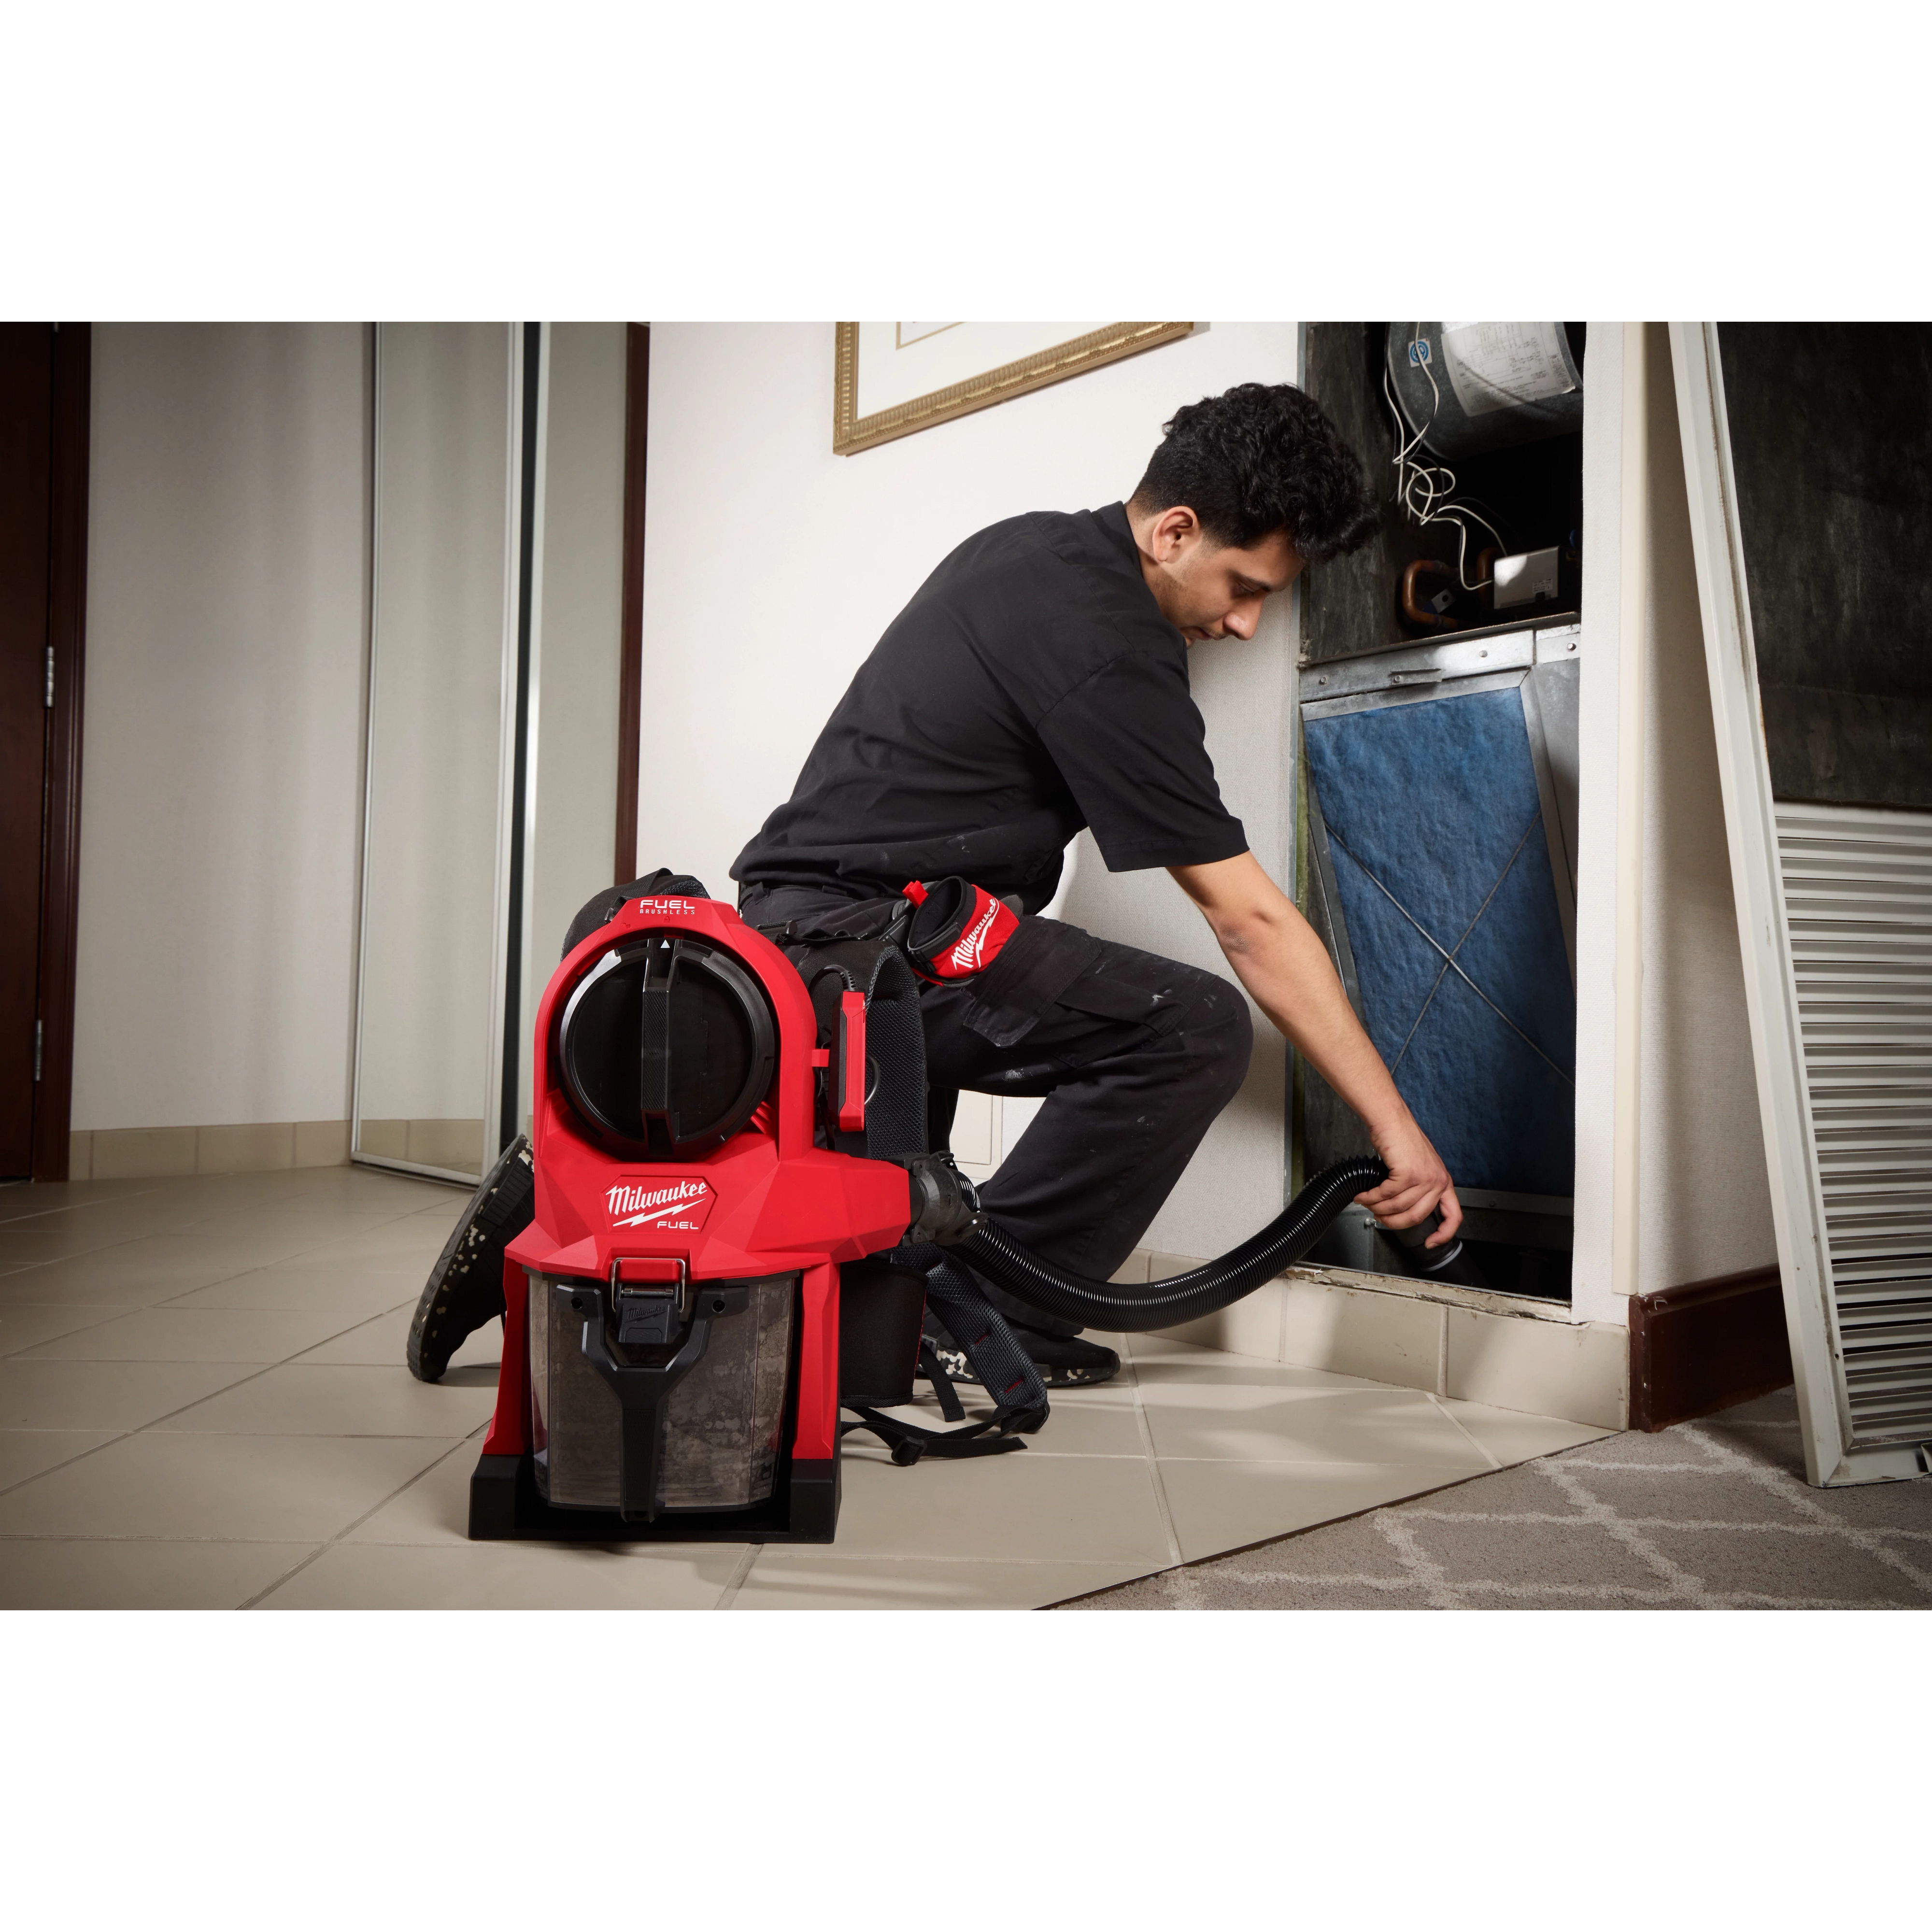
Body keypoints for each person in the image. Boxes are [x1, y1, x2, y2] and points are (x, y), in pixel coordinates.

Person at [730, 382, 1462, 1390]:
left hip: (843, 926)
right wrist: (1395, 1129)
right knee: (1190, 1025)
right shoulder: (1106, 643)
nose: (1247, 625)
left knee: (952, 1066)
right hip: (844, 947)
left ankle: (934, 1290)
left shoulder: (1028, 546)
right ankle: (966, 1310)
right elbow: (1246, 920)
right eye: (1243, 586)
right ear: (1173, 530)